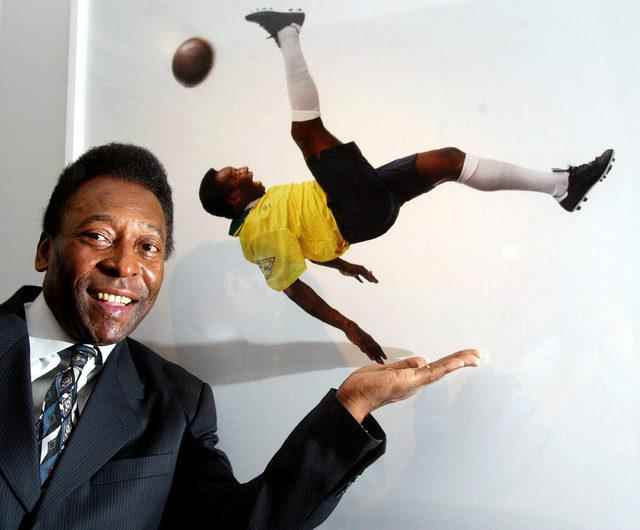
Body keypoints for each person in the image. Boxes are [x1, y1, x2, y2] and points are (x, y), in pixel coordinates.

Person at [0, 142, 479, 530]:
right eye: (100, 236)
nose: (126, 266)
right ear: (46, 250)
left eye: (149, 247)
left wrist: (352, 404)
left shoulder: (178, 403)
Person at [199, 10, 615, 365]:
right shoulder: (255, 233)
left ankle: (562, 186)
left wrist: (343, 266)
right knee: (307, 133)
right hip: (353, 210)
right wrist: (349, 327)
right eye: (231, 175)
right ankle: (288, 30)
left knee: (448, 160)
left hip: (362, 202)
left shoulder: (268, 209)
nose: (240, 168)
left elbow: (303, 245)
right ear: (233, 198)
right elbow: (292, 285)